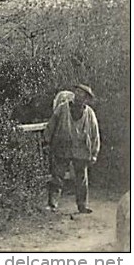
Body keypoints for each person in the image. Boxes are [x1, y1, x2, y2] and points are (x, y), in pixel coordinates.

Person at [44, 83, 100, 214]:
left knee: (81, 179)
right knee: (57, 176)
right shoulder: (62, 109)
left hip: (81, 149)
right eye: (78, 93)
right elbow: (51, 125)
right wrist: (46, 141)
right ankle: (52, 204)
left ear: (86, 99)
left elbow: (94, 134)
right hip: (63, 147)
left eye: (83, 95)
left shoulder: (90, 114)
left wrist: (94, 153)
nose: (80, 97)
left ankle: (82, 206)